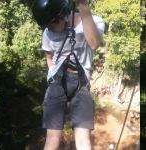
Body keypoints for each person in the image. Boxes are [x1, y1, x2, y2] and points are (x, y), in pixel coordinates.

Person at [32, 0, 105, 149]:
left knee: (84, 140)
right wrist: (53, 75)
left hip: (81, 83)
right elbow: (49, 57)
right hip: (58, 81)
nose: (49, 30)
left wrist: (83, 5)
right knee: (53, 139)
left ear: (62, 16)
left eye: (51, 26)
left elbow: (94, 43)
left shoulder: (94, 21)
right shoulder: (48, 33)